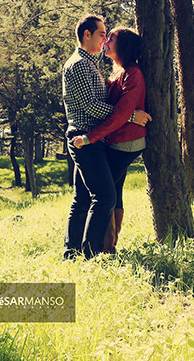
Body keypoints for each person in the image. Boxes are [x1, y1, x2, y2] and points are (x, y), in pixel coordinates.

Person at [62, 15, 148, 259]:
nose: (105, 39)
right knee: (105, 195)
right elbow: (90, 105)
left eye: (108, 36)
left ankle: (73, 252)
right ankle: (90, 254)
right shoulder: (79, 64)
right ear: (86, 35)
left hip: (94, 138)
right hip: (84, 138)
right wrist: (131, 116)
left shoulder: (91, 65)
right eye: (102, 34)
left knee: (83, 196)